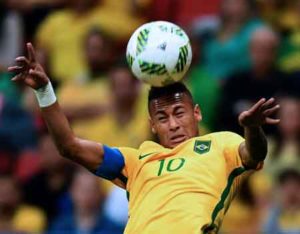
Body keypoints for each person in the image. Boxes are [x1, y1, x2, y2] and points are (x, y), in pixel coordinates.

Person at [8, 43, 280, 233]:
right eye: (163, 118)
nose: (173, 124)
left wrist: (253, 129)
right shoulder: (136, 160)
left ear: (196, 113)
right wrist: (44, 91)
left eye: (179, 113)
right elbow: (69, 147)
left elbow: (254, 154)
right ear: (152, 125)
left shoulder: (222, 143)